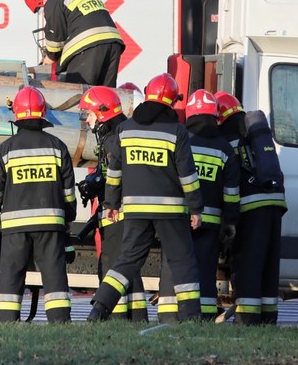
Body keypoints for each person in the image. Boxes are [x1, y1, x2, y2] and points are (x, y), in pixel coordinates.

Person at [87, 74, 203, 322]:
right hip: (171, 210)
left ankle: (99, 308)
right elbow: (188, 176)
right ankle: (192, 317)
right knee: (182, 260)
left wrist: (111, 204)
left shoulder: (125, 129)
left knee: (127, 260)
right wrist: (195, 208)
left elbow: (114, 172)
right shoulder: (177, 131)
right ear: (172, 101)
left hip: (135, 208)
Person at [0, 86, 76, 323]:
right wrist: (68, 216)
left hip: (15, 227)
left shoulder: (5, 150)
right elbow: (68, 193)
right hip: (50, 224)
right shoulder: (58, 147)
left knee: (11, 276)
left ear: (16, 115)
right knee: (54, 275)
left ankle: (6, 321)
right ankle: (59, 322)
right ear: (43, 113)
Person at [217, 91, 287, 325]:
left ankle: (246, 319)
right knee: (268, 263)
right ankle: (268, 318)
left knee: (248, 262)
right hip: (275, 202)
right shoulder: (255, 133)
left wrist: (229, 218)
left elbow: (229, 180)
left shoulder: (227, 137)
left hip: (251, 206)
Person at [79, 85, 146, 321]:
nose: (87, 120)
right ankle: (137, 316)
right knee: (129, 268)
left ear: (102, 112)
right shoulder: (123, 132)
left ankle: (115, 318)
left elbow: (115, 177)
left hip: (118, 214)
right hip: (131, 212)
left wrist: (106, 199)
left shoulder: (111, 140)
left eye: (89, 114)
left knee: (112, 265)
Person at [182, 89, 240, 321]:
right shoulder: (224, 148)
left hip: (181, 219)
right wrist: (231, 222)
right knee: (206, 272)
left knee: (180, 267)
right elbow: (231, 193)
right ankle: (205, 317)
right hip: (212, 223)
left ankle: (181, 314)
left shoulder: (182, 140)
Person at [23, 0, 124, 87]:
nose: (43, 12)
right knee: (106, 96)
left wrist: (47, 61)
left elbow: (55, 40)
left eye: (40, 9)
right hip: (114, 42)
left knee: (78, 96)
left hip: (87, 46)